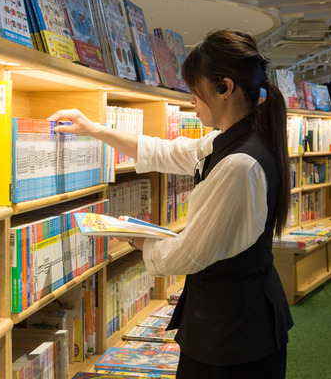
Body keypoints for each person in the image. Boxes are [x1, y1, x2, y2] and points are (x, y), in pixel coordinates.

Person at [48, 29, 293, 378]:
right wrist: (95, 130)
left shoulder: (240, 165)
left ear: (224, 88)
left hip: (233, 334)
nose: (191, 100)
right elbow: (166, 152)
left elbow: (188, 254)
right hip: (237, 321)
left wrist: (134, 237)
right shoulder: (233, 140)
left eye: (195, 90)